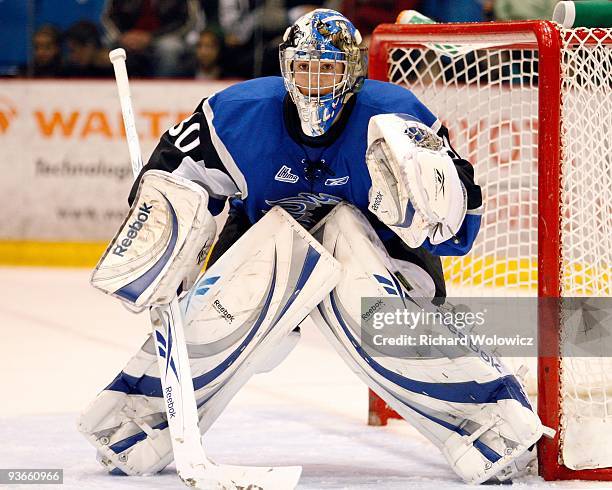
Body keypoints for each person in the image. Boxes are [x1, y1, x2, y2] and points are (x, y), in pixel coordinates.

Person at [79, 9, 544, 485]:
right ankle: (137, 422)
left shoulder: (393, 116)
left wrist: (430, 203)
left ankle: (495, 422)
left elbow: (458, 225)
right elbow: (170, 175)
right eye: (304, 65)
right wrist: (167, 228)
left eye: (328, 67)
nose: (314, 79)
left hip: (380, 250)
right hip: (268, 235)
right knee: (227, 316)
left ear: (353, 72)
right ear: (286, 67)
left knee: (379, 313)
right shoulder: (237, 114)